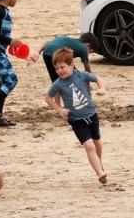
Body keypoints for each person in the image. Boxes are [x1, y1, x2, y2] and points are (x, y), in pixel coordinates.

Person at [44, 47, 108, 183]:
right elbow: (48, 98)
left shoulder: (81, 75)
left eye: (62, 67)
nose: (59, 71)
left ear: (72, 65)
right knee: (89, 146)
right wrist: (59, 109)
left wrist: (102, 88)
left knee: (97, 143)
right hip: (76, 120)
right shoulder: (58, 84)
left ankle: (99, 163)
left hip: (92, 114)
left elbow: (97, 78)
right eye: (57, 68)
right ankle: (100, 173)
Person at [32, 32, 99, 82]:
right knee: (75, 76)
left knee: (55, 81)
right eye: (90, 52)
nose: (89, 54)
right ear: (87, 45)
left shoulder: (68, 40)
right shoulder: (83, 48)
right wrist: (88, 83)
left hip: (46, 53)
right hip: (58, 54)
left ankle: (57, 99)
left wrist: (37, 52)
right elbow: (87, 69)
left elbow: (46, 42)